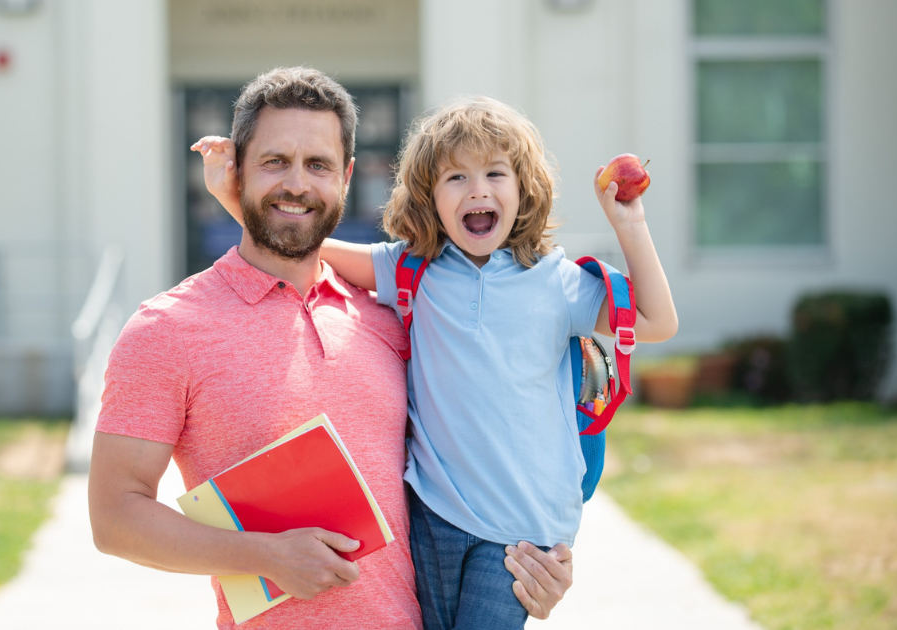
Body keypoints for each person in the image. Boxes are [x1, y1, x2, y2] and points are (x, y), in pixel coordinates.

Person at [89, 67, 574, 630]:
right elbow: (115, 518)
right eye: (275, 162)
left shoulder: (395, 317)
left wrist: (534, 564)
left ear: (345, 178)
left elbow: (492, 439)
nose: (297, 183)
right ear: (238, 172)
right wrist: (263, 556)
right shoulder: (166, 329)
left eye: (317, 165)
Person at [193, 96, 678, 629]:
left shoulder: (557, 282)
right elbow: (301, 246)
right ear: (429, 197)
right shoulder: (410, 271)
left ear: (523, 189)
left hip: (520, 533)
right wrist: (234, 195)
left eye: (496, 173)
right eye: (456, 178)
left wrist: (628, 223)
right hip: (434, 517)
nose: (478, 190)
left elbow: (657, 320)